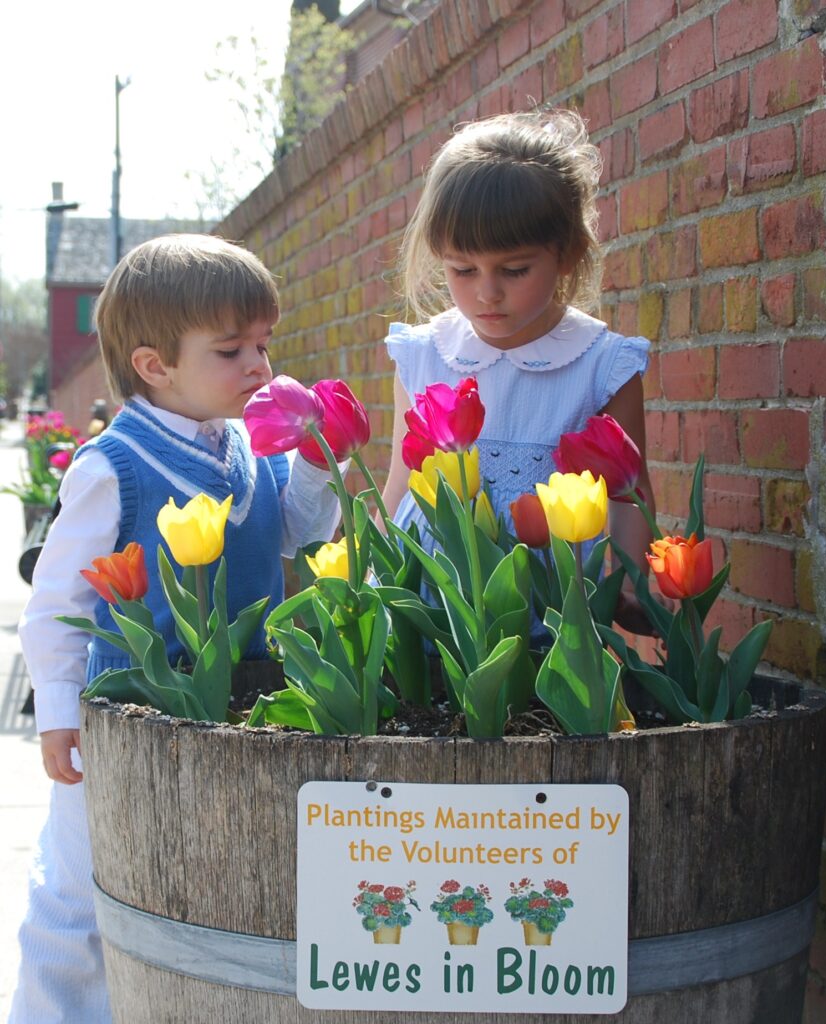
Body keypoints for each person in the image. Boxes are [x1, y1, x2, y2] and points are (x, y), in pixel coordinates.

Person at [11, 234, 342, 1024]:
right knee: (79, 893)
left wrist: (315, 457)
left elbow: (294, 531)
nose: (260, 366)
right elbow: (58, 603)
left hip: (242, 714)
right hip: (126, 721)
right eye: (231, 350)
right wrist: (57, 711)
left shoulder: (250, 450)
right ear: (155, 366)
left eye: (264, 344)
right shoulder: (112, 467)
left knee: (198, 893)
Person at [380, 110, 655, 631]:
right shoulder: (425, 354)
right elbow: (401, 484)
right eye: (462, 269)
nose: (487, 292)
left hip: (549, 597)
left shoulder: (602, 363)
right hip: (433, 594)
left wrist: (638, 583)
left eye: (514, 269)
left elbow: (629, 490)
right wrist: (371, 579)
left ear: (569, 252)